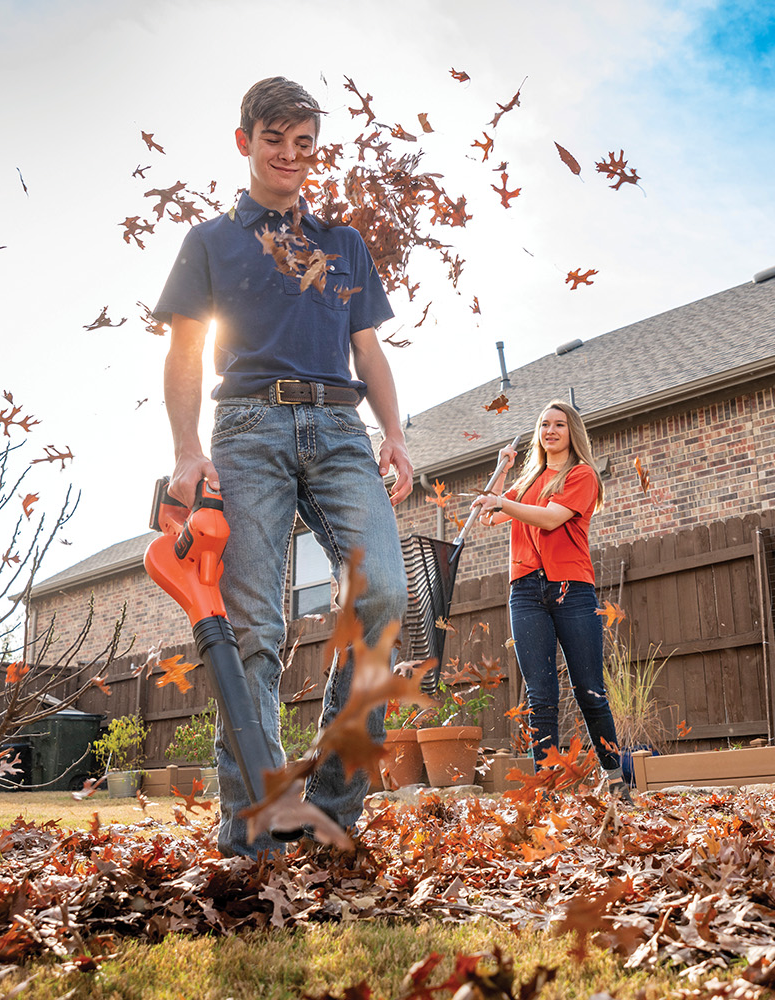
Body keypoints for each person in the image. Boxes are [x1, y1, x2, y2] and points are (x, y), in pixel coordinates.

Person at [155, 76, 412, 856]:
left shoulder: (344, 245)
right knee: (256, 630)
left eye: (304, 143)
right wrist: (188, 450)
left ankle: (331, 809)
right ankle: (254, 825)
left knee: (384, 599)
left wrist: (394, 433)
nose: (290, 156)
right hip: (248, 428)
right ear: (245, 142)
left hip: (339, 426)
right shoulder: (210, 242)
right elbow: (186, 351)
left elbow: (368, 349)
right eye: (275, 140)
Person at [473, 400, 629, 800]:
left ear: (571, 431)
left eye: (559, 424)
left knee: (589, 689)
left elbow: (549, 518)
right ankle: (544, 792)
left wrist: (502, 501)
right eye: (544, 424)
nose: (551, 431)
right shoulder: (526, 482)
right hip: (525, 591)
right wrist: (502, 472)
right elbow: (487, 516)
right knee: (540, 695)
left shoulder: (581, 475)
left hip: (571, 590)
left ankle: (615, 781)